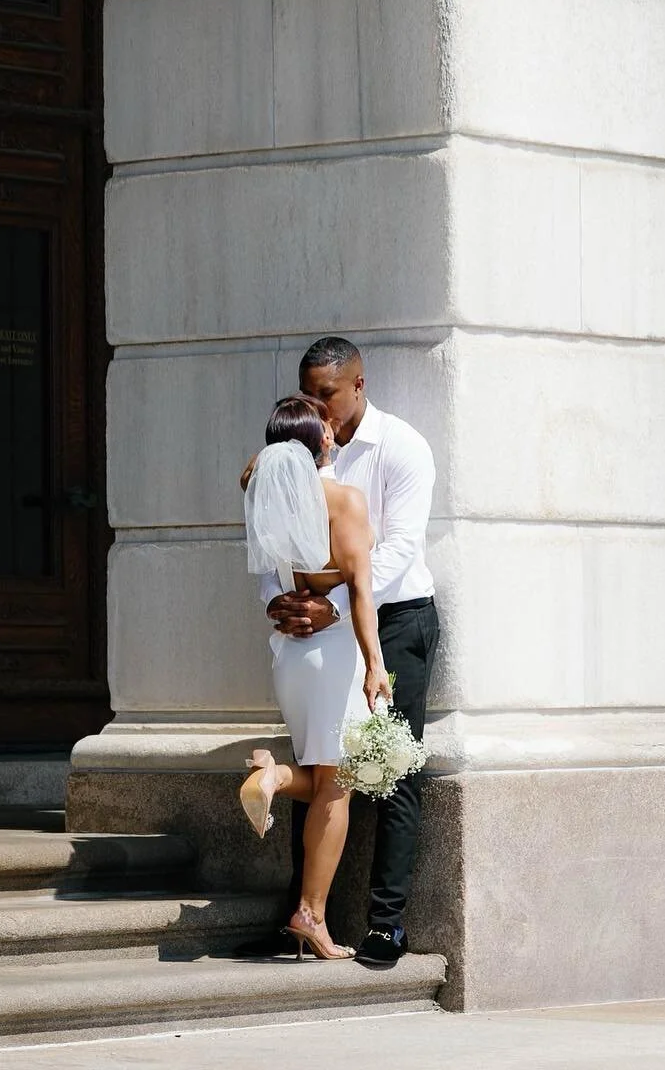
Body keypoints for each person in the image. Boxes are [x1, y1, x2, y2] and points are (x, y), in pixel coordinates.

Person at [263, 338, 439, 968]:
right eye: (310, 394)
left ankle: (386, 924)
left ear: (360, 384)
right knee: (323, 760)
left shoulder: (402, 448)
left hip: (397, 620)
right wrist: (282, 603)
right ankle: (304, 914)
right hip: (328, 625)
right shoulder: (293, 453)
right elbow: (275, 541)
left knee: (390, 772)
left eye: (329, 394)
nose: (320, 408)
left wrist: (334, 604)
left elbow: (397, 549)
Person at [239, 395, 388, 960]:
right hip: (332, 654)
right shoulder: (343, 501)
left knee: (328, 779)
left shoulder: (263, 496)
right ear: (324, 440)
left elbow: (253, 473)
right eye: (325, 424)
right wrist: (375, 664)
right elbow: (362, 593)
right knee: (338, 786)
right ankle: (312, 914)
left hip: (289, 656)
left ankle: (274, 776)